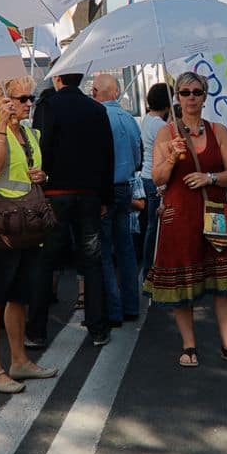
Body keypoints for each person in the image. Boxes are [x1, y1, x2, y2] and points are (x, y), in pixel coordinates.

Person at [146, 72, 227, 367]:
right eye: (185, 92)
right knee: (184, 283)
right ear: (176, 97)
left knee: (223, 282)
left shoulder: (219, 131)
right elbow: (158, 178)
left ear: (205, 96)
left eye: (197, 92)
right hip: (180, 216)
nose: (191, 98)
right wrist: (171, 157)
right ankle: (189, 345)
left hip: (215, 213)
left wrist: (209, 177)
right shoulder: (167, 133)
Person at [0, 77, 57, 394]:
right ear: (3, 99)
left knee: (20, 295)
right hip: (3, 226)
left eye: (30, 98)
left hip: (28, 224)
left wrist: (42, 175)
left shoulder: (29, 132)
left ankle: (19, 360)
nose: (28, 103)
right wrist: (2, 125)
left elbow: (37, 171)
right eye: (21, 98)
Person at [28, 72, 114, 349]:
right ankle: (98, 328)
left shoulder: (48, 107)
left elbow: (41, 150)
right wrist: (105, 197)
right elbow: (106, 155)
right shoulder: (97, 109)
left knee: (47, 261)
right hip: (89, 194)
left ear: (58, 79)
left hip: (55, 193)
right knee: (91, 260)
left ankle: (37, 330)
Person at [92, 73, 143, 326]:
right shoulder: (129, 119)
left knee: (104, 251)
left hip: (104, 189)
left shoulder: (97, 117)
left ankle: (113, 311)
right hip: (125, 186)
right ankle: (131, 306)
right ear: (116, 92)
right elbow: (137, 157)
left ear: (95, 92)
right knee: (126, 248)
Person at [139, 84, 171, 274]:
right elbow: (167, 155)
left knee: (151, 225)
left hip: (146, 174)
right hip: (157, 178)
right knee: (155, 226)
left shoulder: (147, 119)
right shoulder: (161, 125)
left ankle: (149, 268)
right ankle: (150, 268)